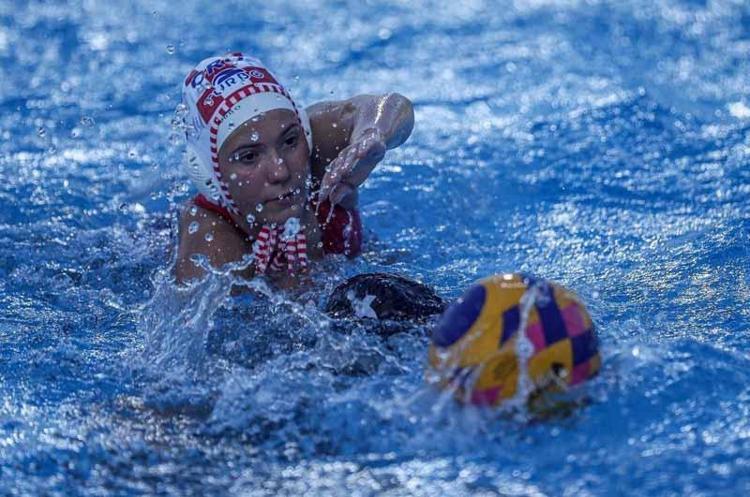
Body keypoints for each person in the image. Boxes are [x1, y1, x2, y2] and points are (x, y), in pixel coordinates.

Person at [174, 52, 414, 285]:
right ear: (209, 175)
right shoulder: (211, 250)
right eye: (249, 157)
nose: (280, 172)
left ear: (305, 132)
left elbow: (392, 105)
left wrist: (372, 134)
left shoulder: (317, 150)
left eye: (289, 141)